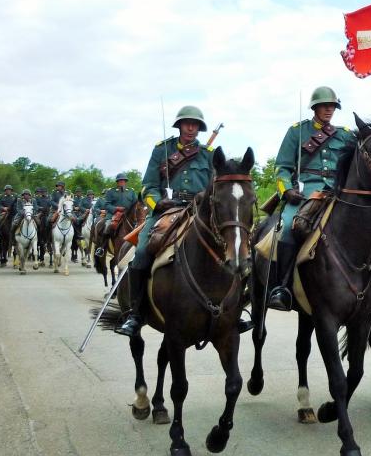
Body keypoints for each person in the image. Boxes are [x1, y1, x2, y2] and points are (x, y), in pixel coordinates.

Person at [116, 105, 254, 337]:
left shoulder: (209, 155)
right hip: (165, 211)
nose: (191, 128)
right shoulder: (162, 150)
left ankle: (234, 310)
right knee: (141, 253)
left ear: (199, 128)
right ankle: (136, 314)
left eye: (195, 125)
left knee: (234, 249)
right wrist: (156, 203)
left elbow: (218, 188)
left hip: (199, 211)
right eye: (187, 123)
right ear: (179, 125)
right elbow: (148, 186)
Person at [268, 86, 356, 311]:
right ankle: (282, 287)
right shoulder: (297, 132)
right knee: (287, 227)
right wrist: (286, 190)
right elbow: (282, 167)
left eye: (333, 106)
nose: (329, 110)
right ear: (315, 107)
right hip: (306, 192)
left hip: (337, 193)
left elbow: (370, 151)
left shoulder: (345, 134)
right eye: (325, 106)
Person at [95, 173, 137, 256]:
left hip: (128, 215)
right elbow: (106, 205)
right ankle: (102, 248)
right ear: (117, 182)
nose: (122, 182)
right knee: (107, 226)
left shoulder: (131, 191)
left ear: (126, 182)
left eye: (123, 181)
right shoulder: (111, 191)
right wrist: (116, 209)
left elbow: (135, 203)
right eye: (120, 181)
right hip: (113, 215)